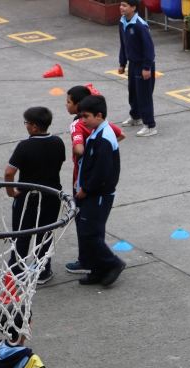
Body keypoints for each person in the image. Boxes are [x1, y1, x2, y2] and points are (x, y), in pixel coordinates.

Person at [64, 85, 125, 275]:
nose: (83, 121)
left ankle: (112, 263)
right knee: (91, 230)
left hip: (97, 193)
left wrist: (85, 188)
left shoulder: (103, 138)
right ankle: (97, 270)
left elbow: (101, 171)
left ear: (98, 115)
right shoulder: (99, 131)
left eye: (86, 117)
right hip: (93, 190)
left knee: (88, 232)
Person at [4, 107, 66, 284]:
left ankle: (17, 271)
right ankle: (43, 270)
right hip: (51, 195)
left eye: (27, 123)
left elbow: (9, 173)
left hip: (28, 198)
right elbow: (60, 162)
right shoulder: (58, 142)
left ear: (34, 127)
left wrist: (11, 192)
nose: (26, 126)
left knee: (22, 234)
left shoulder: (24, 146)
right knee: (45, 233)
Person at [118, 0, 157, 137]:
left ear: (133, 8)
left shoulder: (140, 25)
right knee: (133, 91)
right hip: (133, 64)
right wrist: (122, 63)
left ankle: (150, 125)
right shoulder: (123, 22)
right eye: (121, 5)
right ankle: (136, 117)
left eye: (124, 5)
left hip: (143, 65)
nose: (121, 7)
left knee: (144, 95)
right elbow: (124, 44)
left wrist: (146, 68)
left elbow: (149, 48)